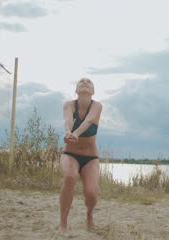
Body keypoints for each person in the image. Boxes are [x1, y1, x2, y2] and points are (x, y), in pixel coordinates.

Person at [59, 77, 103, 230]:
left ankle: (89, 215)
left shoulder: (97, 106)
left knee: (91, 194)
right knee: (70, 177)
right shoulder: (69, 105)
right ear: (75, 90)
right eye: (81, 82)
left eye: (89, 82)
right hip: (70, 155)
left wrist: (76, 133)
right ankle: (63, 223)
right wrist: (69, 132)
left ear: (93, 91)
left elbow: (89, 121)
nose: (85, 82)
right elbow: (68, 119)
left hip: (91, 158)